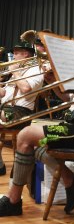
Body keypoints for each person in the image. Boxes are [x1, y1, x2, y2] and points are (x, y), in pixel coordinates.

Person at [0, 4, 74, 217]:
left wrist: (68, 81)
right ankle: (71, 181)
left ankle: (13, 200)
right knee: (35, 146)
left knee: (25, 135)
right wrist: (56, 85)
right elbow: (71, 99)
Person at [0, 38, 44, 176]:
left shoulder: (36, 69)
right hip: (6, 109)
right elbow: (3, 93)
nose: (13, 56)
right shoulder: (18, 70)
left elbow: (25, 88)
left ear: (25, 54)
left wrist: (15, 72)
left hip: (21, 113)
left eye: (16, 53)